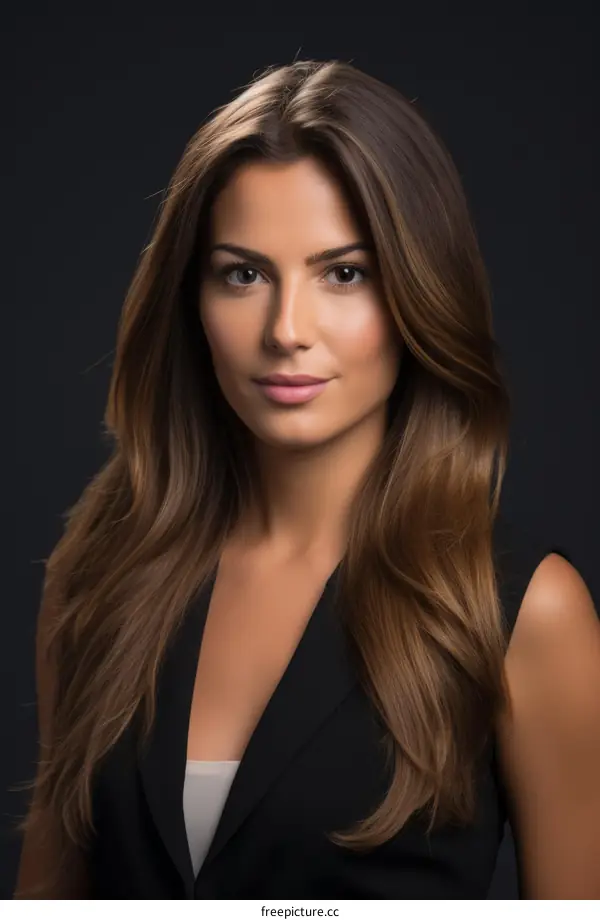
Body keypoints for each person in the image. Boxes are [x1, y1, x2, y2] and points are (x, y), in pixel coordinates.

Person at [13, 59, 600, 900]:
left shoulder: (526, 615)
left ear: (418, 295)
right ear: (192, 301)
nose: (287, 330)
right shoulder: (97, 579)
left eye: (344, 273)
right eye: (243, 274)